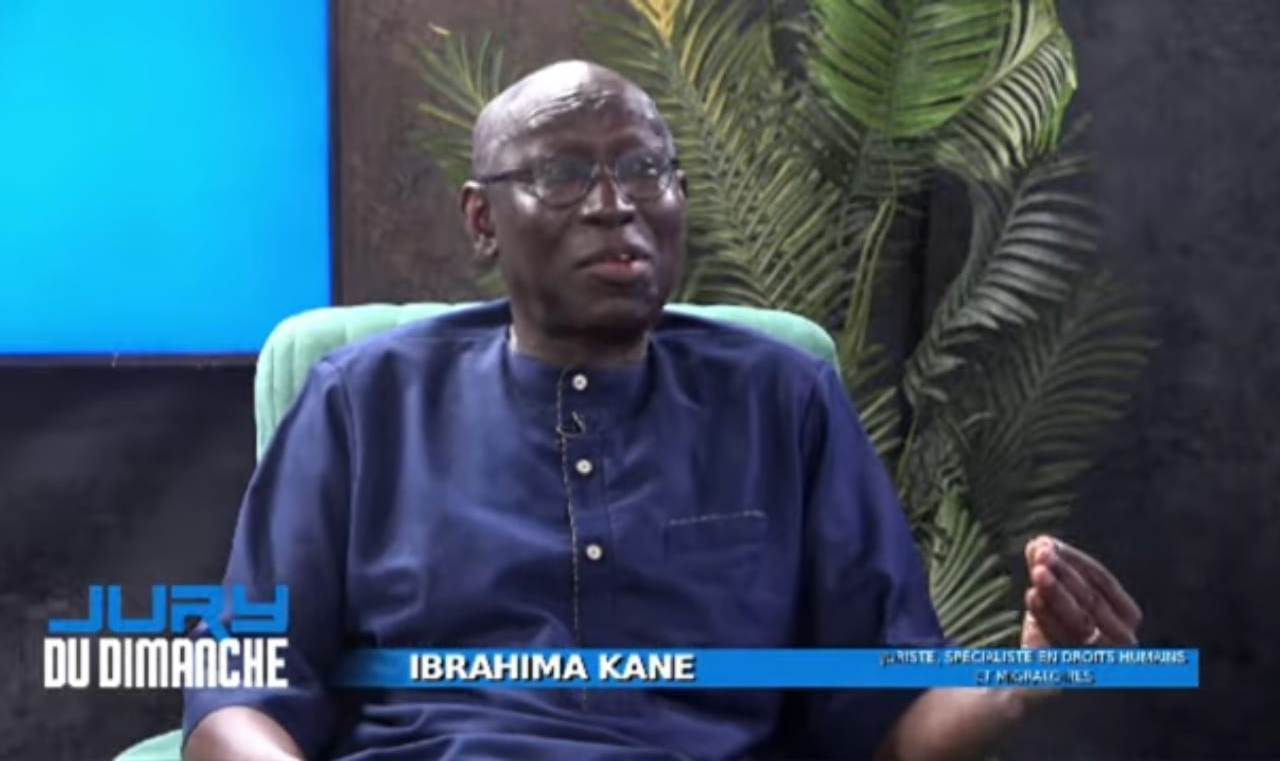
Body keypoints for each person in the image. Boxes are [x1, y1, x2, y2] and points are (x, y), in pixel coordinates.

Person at [183, 60, 1142, 761]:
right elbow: (238, 696)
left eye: (646, 168)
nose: (615, 204)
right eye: (564, 173)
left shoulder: (782, 399)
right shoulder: (364, 402)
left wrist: (1027, 676)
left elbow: (888, 719)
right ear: (482, 220)